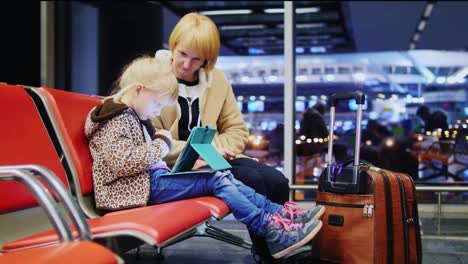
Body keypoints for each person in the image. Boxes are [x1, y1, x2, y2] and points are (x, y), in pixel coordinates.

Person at [84, 56, 325, 260]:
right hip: (132, 192)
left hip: (146, 184)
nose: (157, 112)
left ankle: (278, 215)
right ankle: (270, 230)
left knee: (222, 175)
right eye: (157, 104)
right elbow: (124, 163)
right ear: (138, 90)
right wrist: (161, 143)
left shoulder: (130, 116)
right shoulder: (114, 119)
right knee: (215, 180)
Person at [151, 13, 299, 262]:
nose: (187, 64)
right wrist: (198, 152)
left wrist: (217, 150)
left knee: (278, 181)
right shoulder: (155, 78)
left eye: (196, 59)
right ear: (173, 47)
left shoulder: (217, 80)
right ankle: (271, 254)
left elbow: (237, 129)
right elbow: (152, 138)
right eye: (183, 54)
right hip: (175, 164)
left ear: (207, 60)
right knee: (253, 179)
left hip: (216, 156)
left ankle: (287, 239)